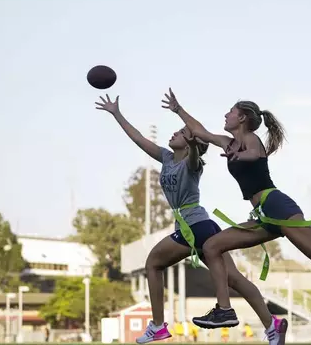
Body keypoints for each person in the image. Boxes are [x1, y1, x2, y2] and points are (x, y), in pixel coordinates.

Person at [161, 88, 311, 331]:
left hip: (277, 206)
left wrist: (240, 157)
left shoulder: (249, 140)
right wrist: (178, 109)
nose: (226, 115)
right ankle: (224, 310)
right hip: (263, 216)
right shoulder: (228, 143)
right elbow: (200, 131)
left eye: (230, 112)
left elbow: (257, 153)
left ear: (242, 118)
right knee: (212, 246)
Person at [95, 94, 287, 345]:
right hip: (199, 226)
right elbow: (139, 139)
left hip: (195, 226)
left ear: (189, 144)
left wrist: (196, 143)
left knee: (153, 263)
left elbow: (197, 155)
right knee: (235, 279)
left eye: (181, 133)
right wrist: (116, 114)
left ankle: (157, 325)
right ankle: (272, 324)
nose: (174, 134)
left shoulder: (192, 163)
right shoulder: (166, 157)